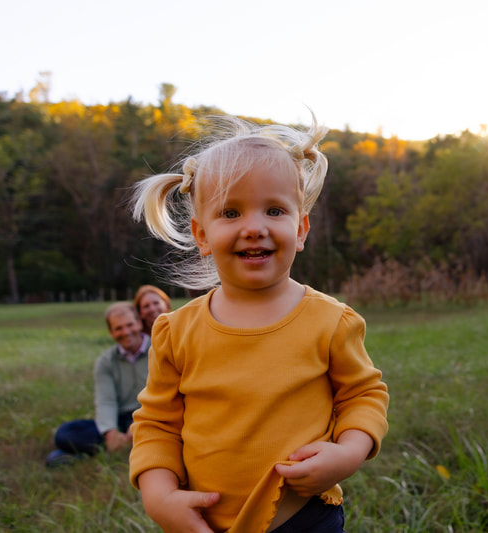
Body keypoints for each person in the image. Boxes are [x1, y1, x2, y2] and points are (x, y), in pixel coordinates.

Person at [128, 113, 389, 533]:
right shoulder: (176, 332)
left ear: (300, 228)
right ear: (202, 236)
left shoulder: (330, 321)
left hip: (304, 514)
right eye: (230, 213)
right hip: (205, 520)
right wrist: (160, 496)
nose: (254, 228)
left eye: (273, 210)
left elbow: (364, 395)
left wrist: (347, 453)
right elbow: (158, 424)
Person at [46, 302, 150, 467]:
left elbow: (163, 394)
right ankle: (121, 446)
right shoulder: (106, 361)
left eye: (130, 325)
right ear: (111, 333)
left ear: (139, 323)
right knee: (65, 433)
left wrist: (135, 427)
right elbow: (106, 401)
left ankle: (89, 454)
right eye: (118, 328)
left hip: (152, 417)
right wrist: (111, 433)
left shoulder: (158, 349)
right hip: (120, 418)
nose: (126, 332)